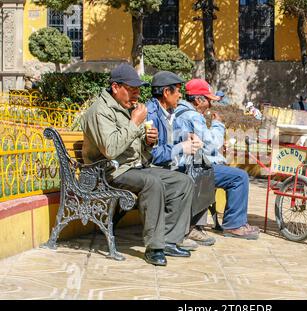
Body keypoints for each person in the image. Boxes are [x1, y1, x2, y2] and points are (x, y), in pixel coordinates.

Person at [81, 63, 193, 267]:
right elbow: (111, 150)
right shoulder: (100, 111)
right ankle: (155, 247)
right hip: (106, 172)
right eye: (132, 90)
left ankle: (169, 240)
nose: (136, 96)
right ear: (116, 87)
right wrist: (134, 123)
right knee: (151, 183)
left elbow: (138, 150)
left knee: (182, 182)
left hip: (132, 168)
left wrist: (148, 142)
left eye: (138, 91)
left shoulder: (127, 107)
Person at [173, 79, 260, 240]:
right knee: (239, 177)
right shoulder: (193, 116)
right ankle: (234, 225)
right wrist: (218, 125)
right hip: (192, 168)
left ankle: (232, 223)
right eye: (208, 101)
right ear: (198, 100)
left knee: (229, 170)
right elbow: (212, 143)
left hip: (187, 164)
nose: (211, 106)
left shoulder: (179, 112)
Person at [145, 71, 215, 248]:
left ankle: (187, 228)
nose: (180, 95)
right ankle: (178, 234)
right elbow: (152, 153)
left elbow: (172, 136)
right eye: (177, 91)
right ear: (166, 93)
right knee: (187, 178)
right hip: (152, 166)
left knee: (203, 169)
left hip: (167, 164)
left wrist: (188, 136)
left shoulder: (168, 111)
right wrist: (181, 147)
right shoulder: (151, 114)